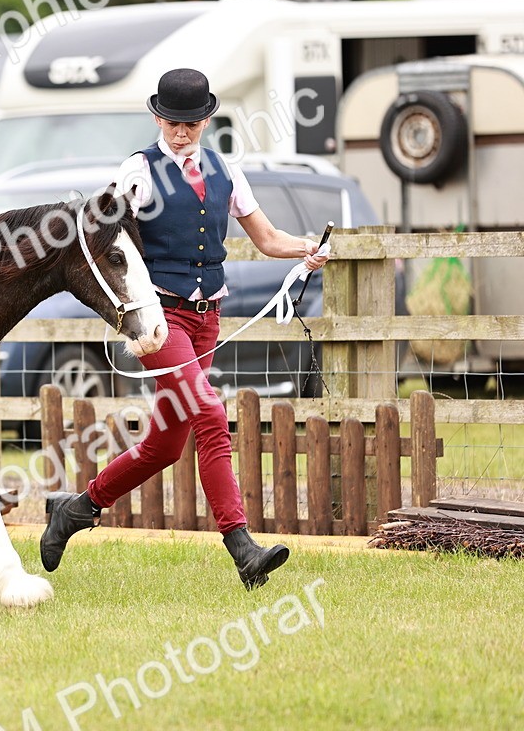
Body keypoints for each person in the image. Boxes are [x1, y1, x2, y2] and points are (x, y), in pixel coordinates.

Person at [40, 68, 331, 590]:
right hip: (159, 318)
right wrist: (123, 308)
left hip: (205, 320)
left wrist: (306, 249)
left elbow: (267, 238)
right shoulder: (139, 170)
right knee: (211, 415)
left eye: (190, 123)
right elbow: (106, 239)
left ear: (206, 121)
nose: (180, 132)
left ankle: (77, 508)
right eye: (172, 122)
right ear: (157, 118)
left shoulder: (225, 170)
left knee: (164, 446)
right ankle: (242, 547)